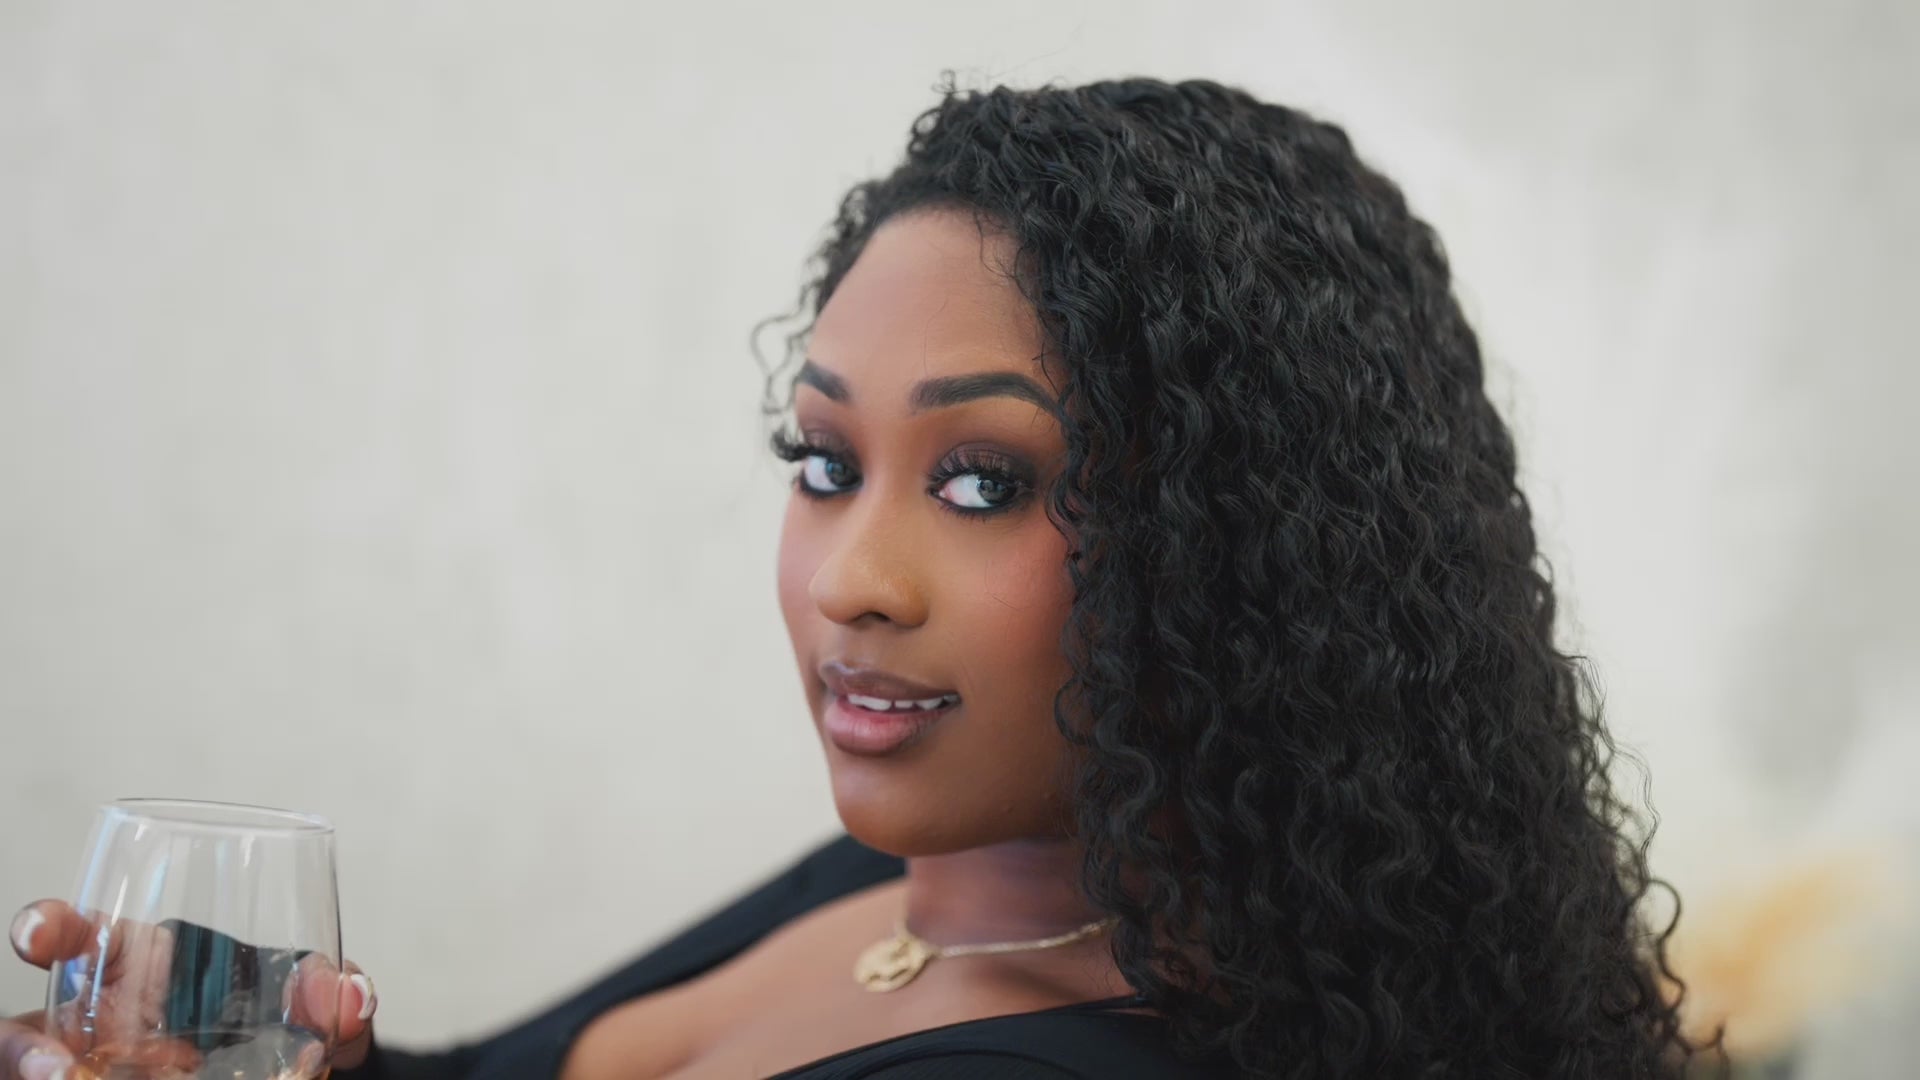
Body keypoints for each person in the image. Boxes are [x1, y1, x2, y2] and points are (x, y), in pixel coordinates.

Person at [3, 74, 1731, 1079]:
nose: (853, 578)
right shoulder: (922, 872)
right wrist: (278, 1045)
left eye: (984, 482)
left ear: (1246, 542)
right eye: (826, 462)